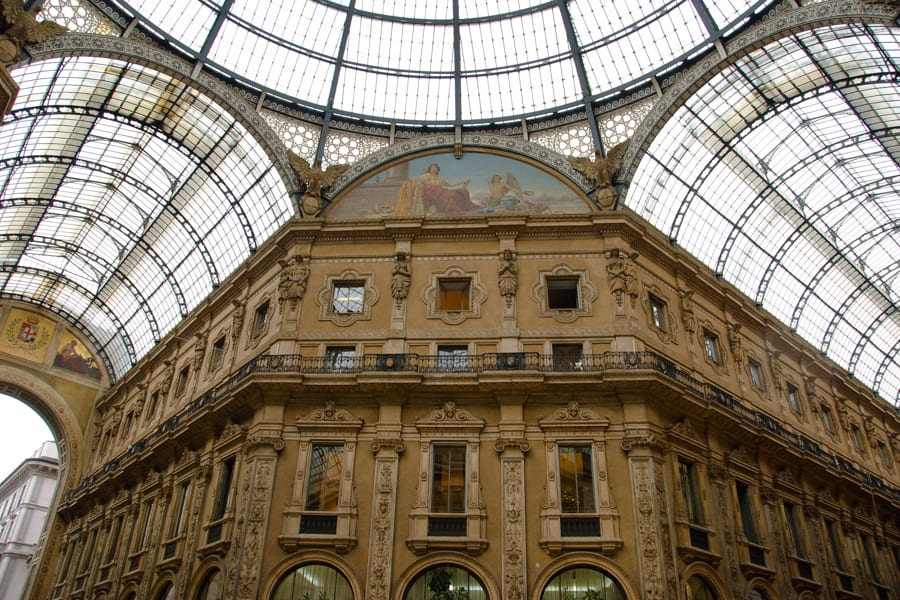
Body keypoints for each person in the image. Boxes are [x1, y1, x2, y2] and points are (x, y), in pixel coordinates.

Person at [410, 163, 480, 216]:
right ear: (429, 169)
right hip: (431, 193)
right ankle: (452, 209)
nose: (434, 169)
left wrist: (462, 182)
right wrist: (422, 182)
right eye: (432, 168)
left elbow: (450, 184)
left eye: (435, 168)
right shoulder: (426, 176)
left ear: (438, 170)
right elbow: (416, 180)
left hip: (440, 192)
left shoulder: (440, 178)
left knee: (456, 193)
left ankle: (458, 208)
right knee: (445, 194)